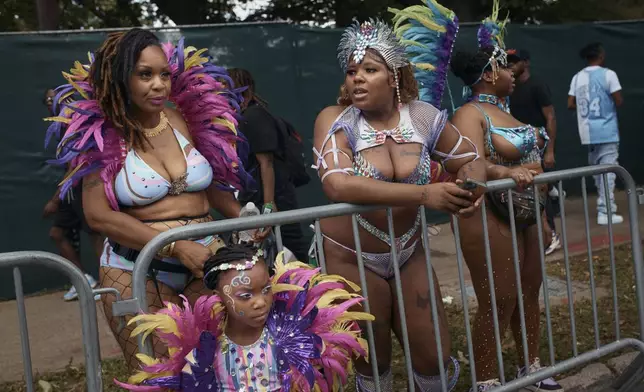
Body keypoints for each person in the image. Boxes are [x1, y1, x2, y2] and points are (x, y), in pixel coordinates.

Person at [45, 29, 265, 369]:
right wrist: (175, 246)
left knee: (215, 365)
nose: (159, 84)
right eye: (144, 74)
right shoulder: (101, 134)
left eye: (164, 74)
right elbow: (98, 216)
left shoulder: (178, 117)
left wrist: (246, 218)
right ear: (120, 77)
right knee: (156, 373)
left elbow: (207, 187)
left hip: (205, 257)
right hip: (135, 266)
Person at [312, 18, 487, 391]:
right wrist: (426, 195)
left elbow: (470, 157)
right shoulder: (336, 120)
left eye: (369, 69)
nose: (356, 78)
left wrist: (472, 187)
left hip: (409, 248)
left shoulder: (422, 116)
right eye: (351, 71)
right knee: (373, 360)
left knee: (433, 353)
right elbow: (338, 185)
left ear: (394, 75)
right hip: (351, 254)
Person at [451, 42, 564, 392]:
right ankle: (485, 381)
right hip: (486, 211)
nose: (512, 72)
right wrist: (509, 171)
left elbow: (530, 171)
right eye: (504, 66)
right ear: (487, 75)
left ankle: (530, 369)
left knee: (530, 290)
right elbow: (470, 165)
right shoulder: (470, 114)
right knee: (499, 297)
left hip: (527, 212)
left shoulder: (508, 113)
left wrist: (543, 219)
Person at [114, 244, 374, 391]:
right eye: (245, 295)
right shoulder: (206, 350)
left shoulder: (289, 337)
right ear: (219, 295)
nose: (260, 302)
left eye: (266, 290)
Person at [227, 68, 310, 262]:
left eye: (229, 90)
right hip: (266, 201)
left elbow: (267, 163)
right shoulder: (249, 116)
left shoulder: (254, 116)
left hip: (274, 201)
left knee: (291, 255)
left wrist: (268, 207)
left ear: (244, 92)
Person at [42, 87, 103, 301]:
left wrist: (54, 200)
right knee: (57, 233)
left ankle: (109, 283)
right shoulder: (59, 127)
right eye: (48, 100)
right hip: (70, 193)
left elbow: (74, 167)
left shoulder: (77, 122)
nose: (52, 101)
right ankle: (85, 281)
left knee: (96, 235)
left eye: (56, 97)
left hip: (83, 189)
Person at [507, 49, 561, 255]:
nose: (511, 65)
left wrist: (550, 151)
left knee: (541, 192)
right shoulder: (510, 88)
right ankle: (554, 191)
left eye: (515, 61)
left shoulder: (537, 85)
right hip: (520, 149)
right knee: (534, 191)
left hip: (540, 146)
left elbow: (551, 118)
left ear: (526, 62)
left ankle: (552, 236)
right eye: (508, 61)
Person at [568, 42, 624, 225]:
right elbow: (618, 100)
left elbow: (570, 104)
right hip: (607, 130)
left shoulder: (577, 77)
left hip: (587, 132)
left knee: (598, 171)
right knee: (608, 171)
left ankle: (604, 207)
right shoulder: (609, 74)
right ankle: (606, 211)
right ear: (600, 56)